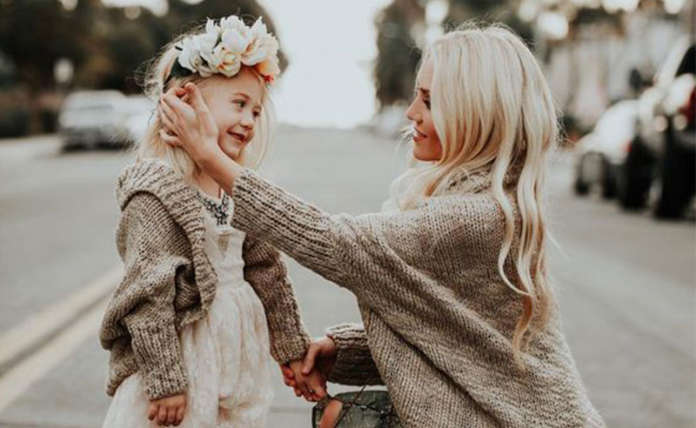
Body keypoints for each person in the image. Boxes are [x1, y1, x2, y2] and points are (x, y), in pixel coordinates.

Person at [159, 22, 605, 427]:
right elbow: (455, 340)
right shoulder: (487, 201)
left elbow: (331, 241)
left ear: (475, 113)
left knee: (342, 420)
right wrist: (341, 352)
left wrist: (210, 157)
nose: (411, 112)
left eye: (428, 100)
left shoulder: (469, 218)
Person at [98, 15, 324, 428]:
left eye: (256, 111)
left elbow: (267, 270)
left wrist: (293, 350)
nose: (249, 120)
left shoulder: (236, 187)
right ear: (186, 101)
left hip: (234, 359)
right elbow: (148, 294)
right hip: (184, 361)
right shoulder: (157, 190)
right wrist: (165, 381)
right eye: (239, 104)